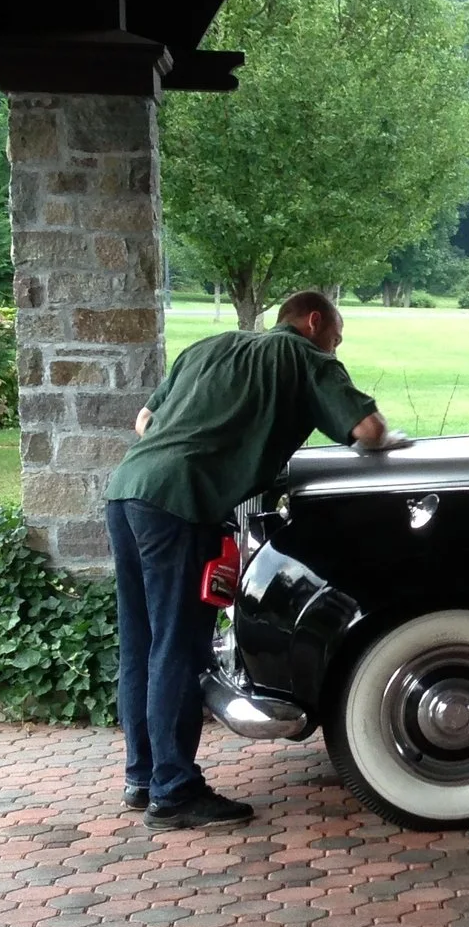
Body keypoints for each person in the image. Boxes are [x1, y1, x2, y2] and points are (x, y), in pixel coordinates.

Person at [105, 289, 394, 826]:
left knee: (141, 640)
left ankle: (142, 777)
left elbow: (144, 421)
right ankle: (174, 793)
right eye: (336, 334)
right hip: (180, 503)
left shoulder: (208, 348)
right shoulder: (302, 356)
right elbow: (368, 433)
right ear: (313, 322)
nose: (335, 345)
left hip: (127, 491)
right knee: (179, 644)